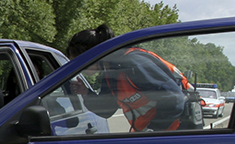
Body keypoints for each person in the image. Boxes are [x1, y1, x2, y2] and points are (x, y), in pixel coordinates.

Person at [69, 24, 202, 131]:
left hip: (177, 133)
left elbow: (174, 98)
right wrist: (85, 92)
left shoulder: (133, 63)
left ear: (92, 56)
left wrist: (152, 131)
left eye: (80, 63)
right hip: (155, 134)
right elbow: (107, 110)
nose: (79, 69)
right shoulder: (111, 73)